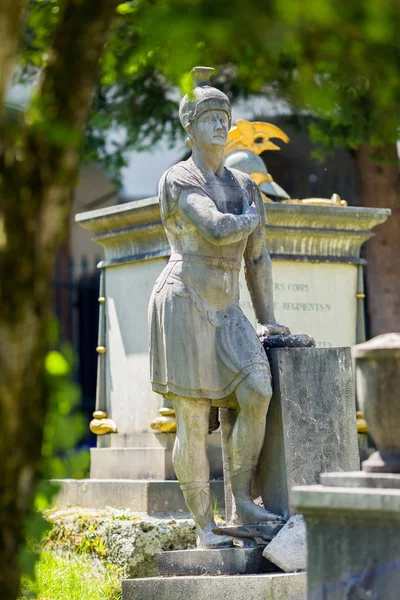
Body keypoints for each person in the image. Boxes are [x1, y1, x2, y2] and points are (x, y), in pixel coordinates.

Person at [149, 67, 290, 548]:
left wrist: (267, 317)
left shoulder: (246, 185)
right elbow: (213, 226)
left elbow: (259, 259)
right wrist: (251, 218)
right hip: (185, 297)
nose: (217, 125)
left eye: (223, 116)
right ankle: (204, 527)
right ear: (188, 128)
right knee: (191, 416)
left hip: (226, 305)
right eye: (208, 117)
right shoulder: (179, 178)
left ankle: (244, 500)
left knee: (256, 390)